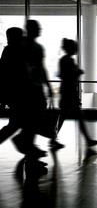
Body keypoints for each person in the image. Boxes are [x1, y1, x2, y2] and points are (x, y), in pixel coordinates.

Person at [11, 20, 52, 158]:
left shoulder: (30, 47)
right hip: (31, 88)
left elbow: (40, 67)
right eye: (37, 28)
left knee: (34, 119)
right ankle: (28, 147)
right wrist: (47, 85)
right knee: (35, 118)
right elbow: (37, 68)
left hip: (32, 87)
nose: (40, 30)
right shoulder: (30, 47)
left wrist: (47, 85)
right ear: (31, 30)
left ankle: (27, 146)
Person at [57, 38, 97, 148]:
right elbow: (68, 76)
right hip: (70, 93)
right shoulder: (69, 61)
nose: (76, 49)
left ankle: (54, 138)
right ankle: (88, 140)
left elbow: (63, 75)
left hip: (67, 92)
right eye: (75, 47)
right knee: (75, 117)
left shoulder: (64, 60)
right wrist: (77, 72)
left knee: (64, 117)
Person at [0, 27, 27, 144]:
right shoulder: (19, 51)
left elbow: (3, 74)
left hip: (13, 94)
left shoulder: (8, 51)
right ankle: (30, 151)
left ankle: (30, 151)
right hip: (18, 94)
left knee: (16, 123)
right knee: (18, 123)